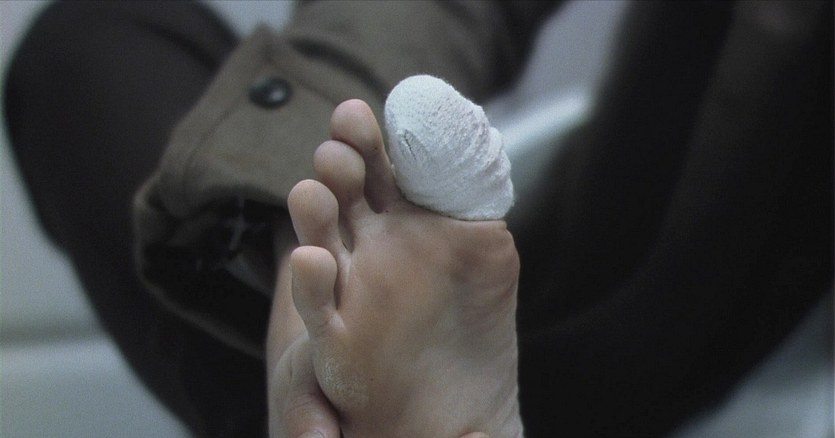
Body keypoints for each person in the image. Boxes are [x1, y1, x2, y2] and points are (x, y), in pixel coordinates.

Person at [4, 1, 832, 437]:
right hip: (563, 288)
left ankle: (324, 411)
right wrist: (293, 239)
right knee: (88, 50)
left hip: (688, 357)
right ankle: (332, 378)